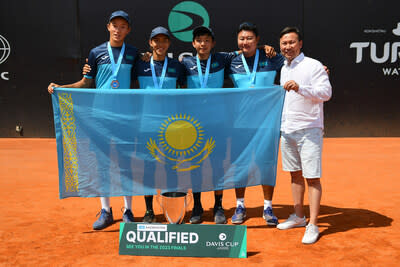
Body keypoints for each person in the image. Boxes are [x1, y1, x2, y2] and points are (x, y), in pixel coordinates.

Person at [48, 10, 139, 230]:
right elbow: (85, 83)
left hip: (125, 117)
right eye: (115, 25)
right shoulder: (96, 52)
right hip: (101, 118)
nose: (118, 30)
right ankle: (106, 211)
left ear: (128, 30)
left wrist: (147, 57)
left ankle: (128, 210)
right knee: (103, 164)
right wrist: (61, 88)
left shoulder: (134, 53)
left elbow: (141, 81)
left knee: (126, 163)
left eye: (123, 26)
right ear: (108, 27)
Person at [181, 26, 276, 224]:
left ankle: (218, 206)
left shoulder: (223, 59)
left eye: (207, 40)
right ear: (193, 43)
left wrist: (264, 48)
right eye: (199, 40)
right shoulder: (185, 63)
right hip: (193, 125)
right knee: (196, 167)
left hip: (219, 123)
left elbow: (245, 51)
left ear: (213, 44)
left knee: (218, 166)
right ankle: (197, 206)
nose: (203, 44)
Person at [276, 26, 332, 244]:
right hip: (287, 129)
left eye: (291, 42)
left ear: (300, 44)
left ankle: (313, 224)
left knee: (312, 177)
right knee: (294, 175)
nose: (287, 46)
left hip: (309, 130)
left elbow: (326, 93)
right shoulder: (283, 67)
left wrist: (301, 88)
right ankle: (299, 216)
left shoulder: (314, 66)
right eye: (284, 43)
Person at [228, 22, 285, 225]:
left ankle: (268, 207)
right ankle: (240, 205)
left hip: (266, 123)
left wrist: (319, 69)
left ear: (257, 40)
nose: (246, 42)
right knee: (240, 165)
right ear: (237, 41)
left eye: (250, 38)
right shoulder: (231, 60)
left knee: (266, 164)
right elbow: (209, 57)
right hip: (240, 124)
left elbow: (294, 64)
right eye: (242, 39)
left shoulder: (272, 58)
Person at [133, 26, 186, 223]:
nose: (160, 44)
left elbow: (185, 94)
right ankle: (149, 211)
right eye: (156, 40)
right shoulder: (140, 64)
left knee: (171, 167)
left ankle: (172, 210)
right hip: (146, 125)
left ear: (169, 43)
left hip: (170, 126)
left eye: (164, 40)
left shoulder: (177, 66)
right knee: (148, 169)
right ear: (150, 43)